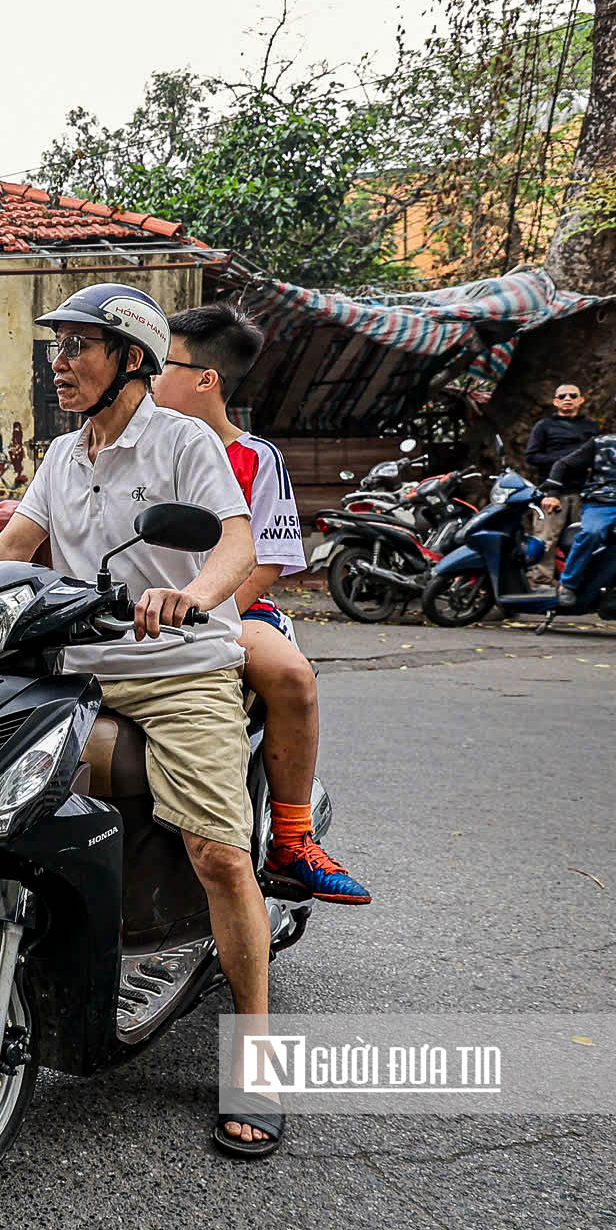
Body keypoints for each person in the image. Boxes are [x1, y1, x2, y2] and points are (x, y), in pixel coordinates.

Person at [0, 283, 283, 1158]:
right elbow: (15, 542)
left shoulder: (182, 440)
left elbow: (235, 543)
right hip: (74, 668)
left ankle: (254, 1055)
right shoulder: (64, 454)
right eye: (56, 346)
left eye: (78, 346)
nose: (59, 362)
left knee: (218, 853)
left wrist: (192, 597)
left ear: (131, 360)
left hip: (179, 669)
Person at [156, 303, 371, 905]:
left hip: (233, 613)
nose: (148, 378)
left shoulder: (256, 457)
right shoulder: (135, 445)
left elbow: (267, 560)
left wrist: (204, 612)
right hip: (141, 611)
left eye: (162, 365)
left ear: (206, 378)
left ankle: (293, 839)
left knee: (292, 677)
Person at [541, 406, 616, 609]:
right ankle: (568, 586)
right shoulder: (602, 444)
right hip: (604, 503)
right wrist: (552, 494)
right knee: (591, 533)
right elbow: (562, 465)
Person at [525, 384, 598, 585]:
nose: (568, 398)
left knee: (583, 539)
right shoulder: (544, 426)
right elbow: (531, 457)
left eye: (573, 395)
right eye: (562, 396)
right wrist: (567, 459)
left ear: (580, 400)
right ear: (555, 401)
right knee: (545, 538)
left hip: (583, 491)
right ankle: (541, 581)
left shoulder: (590, 427)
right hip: (551, 492)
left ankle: (581, 583)